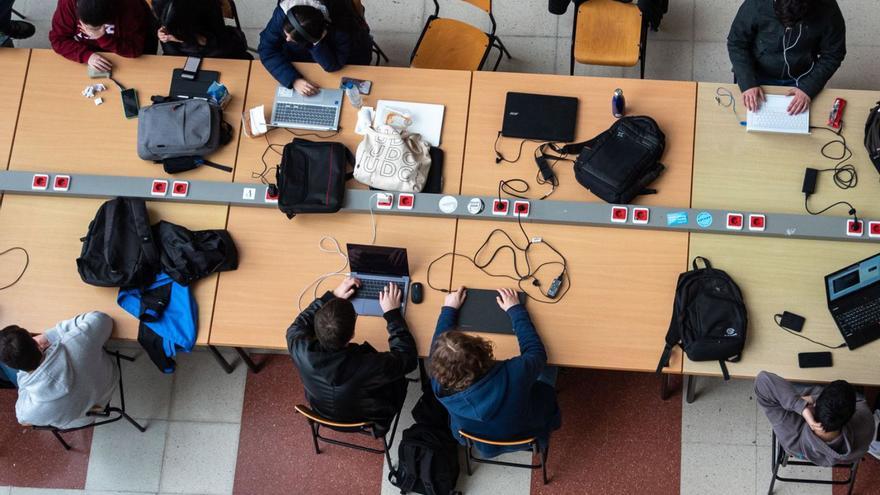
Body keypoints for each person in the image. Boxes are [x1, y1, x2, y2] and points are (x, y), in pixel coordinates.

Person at [428, 287, 561, 458]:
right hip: (528, 432)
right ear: (483, 353)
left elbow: (437, 350)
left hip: (480, 441)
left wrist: (448, 310)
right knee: (551, 364)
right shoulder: (514, 373)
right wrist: (516, 310)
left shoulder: (438, 384)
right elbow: (536, 352)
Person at [286, 277, 417, 432]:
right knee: (397, 375)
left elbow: (298, 324)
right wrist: (392, 313)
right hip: (368, 419)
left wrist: (332, 295)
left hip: (321, 413)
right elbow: (408, 358)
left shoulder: (298, 347)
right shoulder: (368, 366)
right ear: (352, 334)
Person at [0, 312, 119, 429]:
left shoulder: (31, 410)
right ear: (36, 344)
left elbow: (23, 420)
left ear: (13, 367)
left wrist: (23, 378)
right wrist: (48, 336)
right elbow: (102, 318)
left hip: (84, 416)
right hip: (108, 383)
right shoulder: (75, 342)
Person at [727, 0, 846, 115]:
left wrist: (809, 87)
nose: (789, 29)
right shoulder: (756, 3)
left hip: (803, 77)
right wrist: (747, 83)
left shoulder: (827, 8)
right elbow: (736, 43)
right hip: (756, 75)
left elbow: (834, 53)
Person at [755, 371, 873, 467]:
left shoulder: (790, 432)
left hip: (799, 449)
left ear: (815, 404)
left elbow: (762, 380)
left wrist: (801, 405)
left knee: (792, 380)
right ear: (851, 416)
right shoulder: (866, 422)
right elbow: (859, 399)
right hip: (842, 457)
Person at [258, 0, 373, 95]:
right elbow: (267, 49)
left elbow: (333, 65)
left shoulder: (342, 26)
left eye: (293, 39)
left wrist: (317, 44)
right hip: (300, 64)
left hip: (340, 59)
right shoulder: (282, 15)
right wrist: (293, 80)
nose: (286, 39)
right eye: (285, 34)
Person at [49, 0, 157, 73]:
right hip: (90, 55)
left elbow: (135, 49)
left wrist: (102, 37)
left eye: (98, 27)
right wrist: (86, 55)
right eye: (86, 27)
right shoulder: (68, 3)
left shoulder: (130, 7)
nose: (90, 32)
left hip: (127, 54)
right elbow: (58, 39)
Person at [152, 0, 252, 60]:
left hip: (213, 50)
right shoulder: (160, 4)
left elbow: (218, 41)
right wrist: (161, 34)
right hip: (178, 52)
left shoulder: (206, 5)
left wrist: (185, 38)